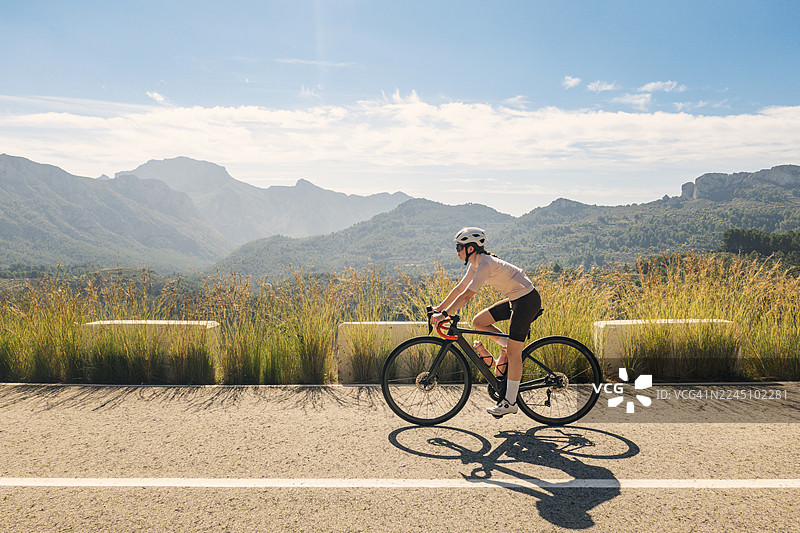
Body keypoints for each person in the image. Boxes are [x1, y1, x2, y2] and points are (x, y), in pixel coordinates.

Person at [430, 227, 541, 417]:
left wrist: (445, 314)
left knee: (514, 353)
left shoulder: (485, 264)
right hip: (516, 299)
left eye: (459, 247)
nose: (457, 251)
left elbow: (467, 296)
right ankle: (510, 348)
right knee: (479, 321)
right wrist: (439, 309)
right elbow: (459, 289)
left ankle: (510, 402)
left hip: (527, 301)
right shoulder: (476, 264)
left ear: (471, 248)